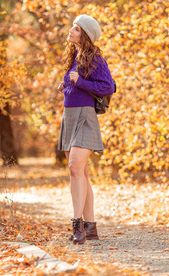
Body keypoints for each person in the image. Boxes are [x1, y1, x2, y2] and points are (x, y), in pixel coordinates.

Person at [57, 14, 115, 245]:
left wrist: (79, 82)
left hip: (85, 116)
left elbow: (107, 86)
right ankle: (91, 228)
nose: (71, 31)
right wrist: (65, 82)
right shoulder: (74, 56)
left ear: (86, 35)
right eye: (72, 27)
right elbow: (72, 76)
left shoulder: (97, 58)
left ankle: (77, 225)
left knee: (74, 168)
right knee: (81, 173)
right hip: (69, 116)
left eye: (77, 29)